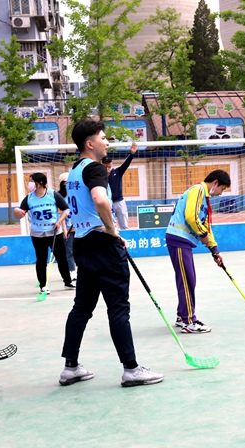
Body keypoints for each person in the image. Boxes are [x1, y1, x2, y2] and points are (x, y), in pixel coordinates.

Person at [61, 120, 162, 387]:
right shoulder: (95, 168)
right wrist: (112, 230)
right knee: (118, 308)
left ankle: (70, 367)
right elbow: (100, 199)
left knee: (81, 308)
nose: (107, 142)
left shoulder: (73, 171)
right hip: (102, 244)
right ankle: (131, 369)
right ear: (89, 143)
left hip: (82, 244)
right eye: (103, 138)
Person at [166, 170, 230, 334]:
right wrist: (202, 235)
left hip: (184, 241)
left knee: (188, 279)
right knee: (187, 280)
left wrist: (215, 250)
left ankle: (182, 315)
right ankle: (189, 321)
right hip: (178, 238)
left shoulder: (205, 200)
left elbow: (206, 227)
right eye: (222, 189)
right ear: (215, 183)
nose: (220, 193)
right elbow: (190, 217)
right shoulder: (198, 190)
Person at [14, 173, 74, 294]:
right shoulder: (29, 198)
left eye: (31, 181)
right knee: (41, 260)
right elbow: (20, 214)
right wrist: (16, 211)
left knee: (61, 258)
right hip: (37, 235)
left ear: (40, 183)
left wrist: (59, 221)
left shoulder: (53, 194)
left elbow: (66, 209)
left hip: (54, 233)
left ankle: (67, 281)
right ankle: (43, 285)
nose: (29, 184)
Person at [102, 142, 137, 230]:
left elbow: (126, 164)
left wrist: (132, 154)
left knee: (124, 226)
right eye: (105, 163)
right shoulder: (100, 175)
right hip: (108, 204)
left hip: (119, 202)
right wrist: (106, 175)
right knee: (111, 227)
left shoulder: (117, 172)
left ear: (112, 163)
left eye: (109, 163)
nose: (107, 165)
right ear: (102, 164)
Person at [58, 172, 76, 281]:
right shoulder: (59, 196)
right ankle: (72, 271)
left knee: (79, 250)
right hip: (68, 227)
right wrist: (64, 229)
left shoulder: (75, 193)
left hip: (79, 226)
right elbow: (61, 214)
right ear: (63, 183)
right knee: (69, 250)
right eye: (67, 182)